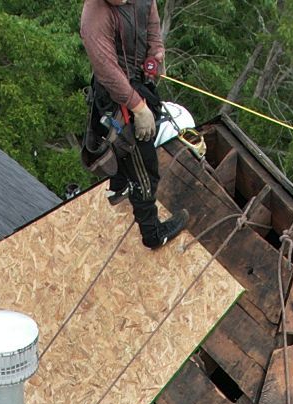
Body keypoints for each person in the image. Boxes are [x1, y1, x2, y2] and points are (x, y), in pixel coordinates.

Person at [81, 0, 183, 251]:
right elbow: (106, 71)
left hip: (138, 82)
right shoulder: (95, 15)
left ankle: (120, 186)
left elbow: (151, 23)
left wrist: (155, 54)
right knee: (144, 168)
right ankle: (153, 234)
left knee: (130, 151)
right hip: (117, 94)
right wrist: (138, 108)